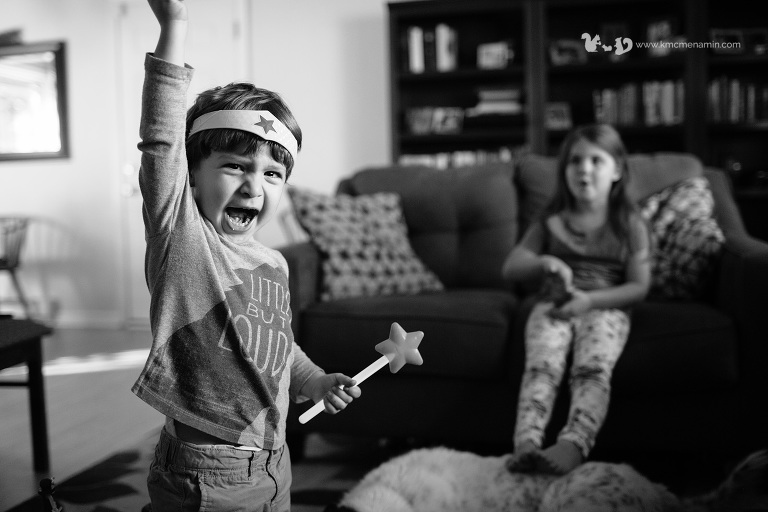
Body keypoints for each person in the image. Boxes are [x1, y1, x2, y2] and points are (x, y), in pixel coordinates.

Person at [132, 1, 361, 510]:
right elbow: (161, 142)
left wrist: (315, 381)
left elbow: (276, 346)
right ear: (192, 176)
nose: (254, 186)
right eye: (235, 166)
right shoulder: (183, 239)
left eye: (272, 173)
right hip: (207, 473)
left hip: (274, 463)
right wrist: (174, 26)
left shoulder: (274, 264)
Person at [503, 124, 651, 475]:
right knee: (542, 368)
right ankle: (526, 442)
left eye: (596, 161)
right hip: (554, 306)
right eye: (575, 161)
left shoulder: (629, 223)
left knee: (592, 370)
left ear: (617, 170)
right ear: (564, 169)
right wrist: (544, 262)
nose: (584, 169)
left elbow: (639, 286)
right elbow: (511, 267)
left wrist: (590, 301)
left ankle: (573, 443)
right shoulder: (551, 221)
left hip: (604, 308)